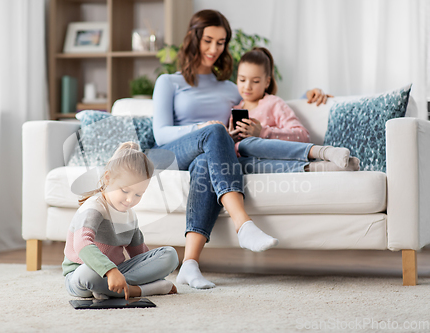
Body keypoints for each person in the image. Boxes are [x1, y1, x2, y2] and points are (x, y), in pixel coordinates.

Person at [152, 9, 332, 290]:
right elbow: (160, 134)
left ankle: (189, 265)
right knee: (214, 132)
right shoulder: (169, 82)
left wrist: (306, 97)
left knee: (204, 162)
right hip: (173, 153)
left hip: (203, 157)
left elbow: (263, 102)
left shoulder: (231, 88)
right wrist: (202, 127)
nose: (214, 49)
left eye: (221, 42)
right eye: (208, 40)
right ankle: (243, 224)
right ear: (194, 38)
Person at [63, 142, 179, 300]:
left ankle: (113, 289)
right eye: (125, 190)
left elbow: (141, 256)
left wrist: (151, 271)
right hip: (80, 275)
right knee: (88, 275)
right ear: (108, 178)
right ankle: (139, 290)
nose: (130, 199)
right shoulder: (94, 207)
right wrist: (110, 271)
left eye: (138, 195)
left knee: (170, 255)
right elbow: (82, 244)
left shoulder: (130, 216)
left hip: (117, 272)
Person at [229, 47, 360, 173]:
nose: (247, 86)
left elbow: (302, 135)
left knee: (248, 145)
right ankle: (322, 167)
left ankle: (324, 152)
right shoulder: (234, 111)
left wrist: (263, 132)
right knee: (242, 153)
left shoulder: (273, 103)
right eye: (242, 79)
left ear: (267, 82)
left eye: (255, 81)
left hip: (272, 155)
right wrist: (230, 138)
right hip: (250, 164)